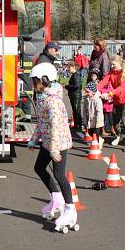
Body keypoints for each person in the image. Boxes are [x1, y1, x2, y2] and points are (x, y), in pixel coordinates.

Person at [27, 63, 77, 231]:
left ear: (45, 80)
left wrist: (54, 149)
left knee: (59, 174)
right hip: (48, 142)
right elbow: (42, 123)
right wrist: (34, 140)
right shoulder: (43, 98)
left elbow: (55, 127)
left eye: (36, 81)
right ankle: (56, 198)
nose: (34, 85)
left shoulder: (53, 101)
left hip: (58, 142)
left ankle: (70, 209)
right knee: (39, 167)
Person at [98, 55, 125, 152]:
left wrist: (110, 93)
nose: (112, 66)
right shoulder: (111, 73)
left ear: (119, 63)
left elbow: (122, 87)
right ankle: (118, 136)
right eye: (111, 64)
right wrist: (93, 90)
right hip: (117, 100)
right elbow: (103, 82)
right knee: (115, 122)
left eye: (114, 64)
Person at [82, 69, 105, 143]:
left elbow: (99, 111)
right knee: (91, 133)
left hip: (97, 120)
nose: (87, 93)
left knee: (95, 134)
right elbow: (85, 110)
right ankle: (99, 140)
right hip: (90, 119)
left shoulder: (97, 99)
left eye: (89, 92)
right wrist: (84, 120)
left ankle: (97, 146)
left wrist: (98, 121)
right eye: (87, 92)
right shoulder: (87, 99)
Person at [64, 61, 83, 131]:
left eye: (69, 67)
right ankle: (77, 124)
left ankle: (78, 125)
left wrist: (67, 86)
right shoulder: (75, 75)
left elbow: (77, 86)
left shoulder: (76, 75)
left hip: (76, 95)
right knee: (75, 110)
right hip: (74, 95)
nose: (68, 69)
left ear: (73, 67)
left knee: (76, 110)